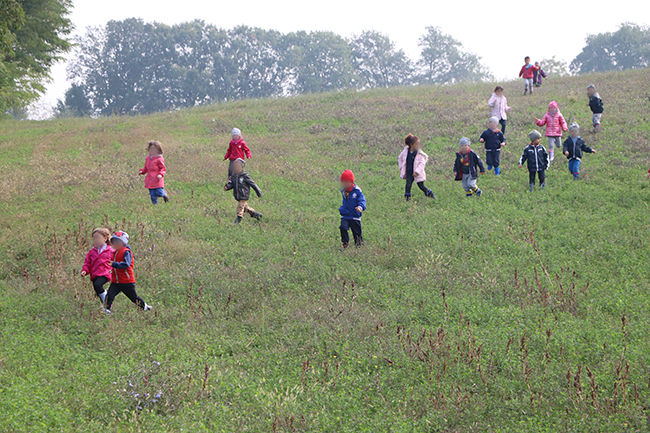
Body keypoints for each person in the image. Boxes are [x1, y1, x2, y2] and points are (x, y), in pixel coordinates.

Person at [106, 231, 152, 314]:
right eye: (114, 242)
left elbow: (127, 264)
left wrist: (114, 264)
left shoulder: (126, 252)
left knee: (133, 297)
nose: (115, 244)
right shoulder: (115, 252)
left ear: (123, 243)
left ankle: (144, 307)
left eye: (117, 242)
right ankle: (107, 310)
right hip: (116, 281)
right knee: (109, 296)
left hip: (126, 281)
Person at [81, 228, 115, 306]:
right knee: (97, 290)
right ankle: (106, 304)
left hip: (105, 273)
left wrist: (114, 269)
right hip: (94, 274)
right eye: (94, 238)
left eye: (98, 238)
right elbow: (87, 262)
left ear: (105, 238)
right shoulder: (92, 251)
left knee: (98, 285)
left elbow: (116, 260)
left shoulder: (110, 251)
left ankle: (108, 302)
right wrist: (85, 270)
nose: (96, 240)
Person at [224, 158, 263, 225]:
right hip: (237, 195)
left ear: (242, 167)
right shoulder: (234, 176)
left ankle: (237, 221)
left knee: (240, 208)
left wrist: (258, 192)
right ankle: (255, 214)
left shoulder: (245, 176)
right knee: (245, 208)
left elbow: (253, 184)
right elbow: (231, 184)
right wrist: (228, 187)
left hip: (244, 195)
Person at [398, 134, 435, 201]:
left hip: (417, 173)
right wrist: (401, 167)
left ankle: (430, 194)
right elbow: (400, 158)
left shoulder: (420, 154)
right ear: (411, 145)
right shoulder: (406, 151)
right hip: (409, 172)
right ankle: (407, 199)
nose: (418, 146)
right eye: (417, 144)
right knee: (408, 186)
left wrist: (417, 172)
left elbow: (422, 164)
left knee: (421, 186)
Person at [339, 169, 366, 249]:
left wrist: (360, 207)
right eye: (343, 182)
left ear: (351, 182)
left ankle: (359, 245)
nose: (344, 184)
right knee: (343, 228)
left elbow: (362, 200)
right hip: (345, 215)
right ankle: (345, 243)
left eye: (346, 182)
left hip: (355, 216)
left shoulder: (357, 191)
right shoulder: (344, 191)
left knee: (356, 232)